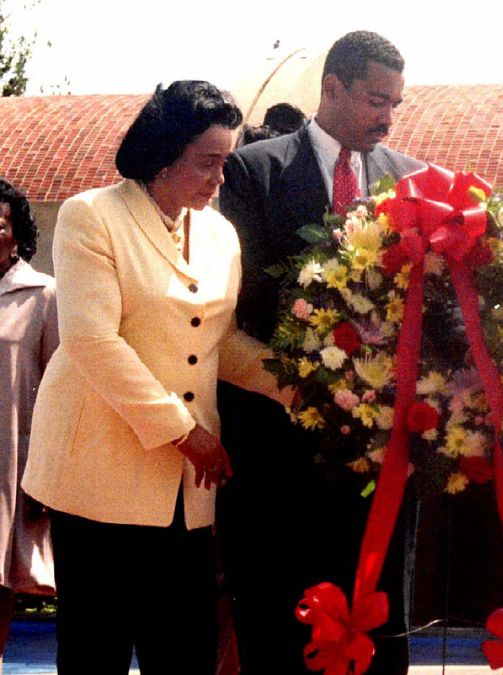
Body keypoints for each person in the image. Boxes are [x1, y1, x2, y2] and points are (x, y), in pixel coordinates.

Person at [21, 81, 290, 675]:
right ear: (163, 154)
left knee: (186, 652)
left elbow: (219, 343)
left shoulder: (220, 234)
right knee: (97, 654)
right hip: (98, 480)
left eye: (227, 160)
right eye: (208, 162)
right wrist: (183, 431)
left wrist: (302, 388)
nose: (220, 178)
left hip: (186, 494)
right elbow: (93, 340)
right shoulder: (90, 215)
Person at [217, 30, 423, 674]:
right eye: (373, 100)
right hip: (276, 451)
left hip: (376, 466)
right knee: (278, 633)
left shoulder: (410, 181)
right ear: (331, 88)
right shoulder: (254, 171)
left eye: (396, 103)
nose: (387, 117)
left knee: (376, 632)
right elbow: (237, 308)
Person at [0, 179, 56, 663]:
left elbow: (58, 390)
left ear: (16, 234)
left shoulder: (42, 296)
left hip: (7, 464)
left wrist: (45, 476)